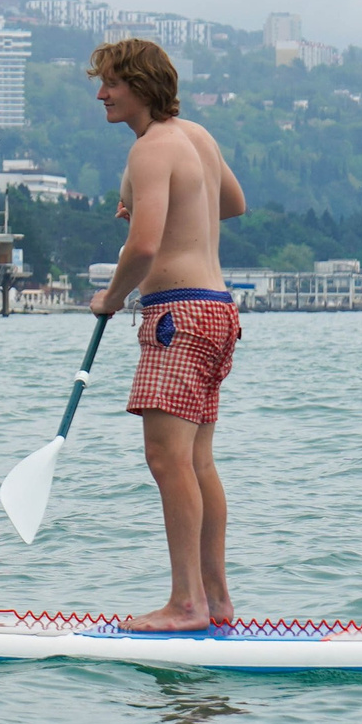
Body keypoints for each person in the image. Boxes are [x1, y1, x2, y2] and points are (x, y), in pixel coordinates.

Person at [88, 38, 248, 632]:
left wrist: (111, 297)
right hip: (217, 309)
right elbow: (230, 202)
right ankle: (216, 600)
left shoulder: (151, 150)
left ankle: (186, 604)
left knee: (166, 459)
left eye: (110, 83)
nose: (101, 94)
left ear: (139, 84)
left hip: (177, 315)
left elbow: (145, 246)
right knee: (197, 461)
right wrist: (164, 204)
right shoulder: (197, 136)